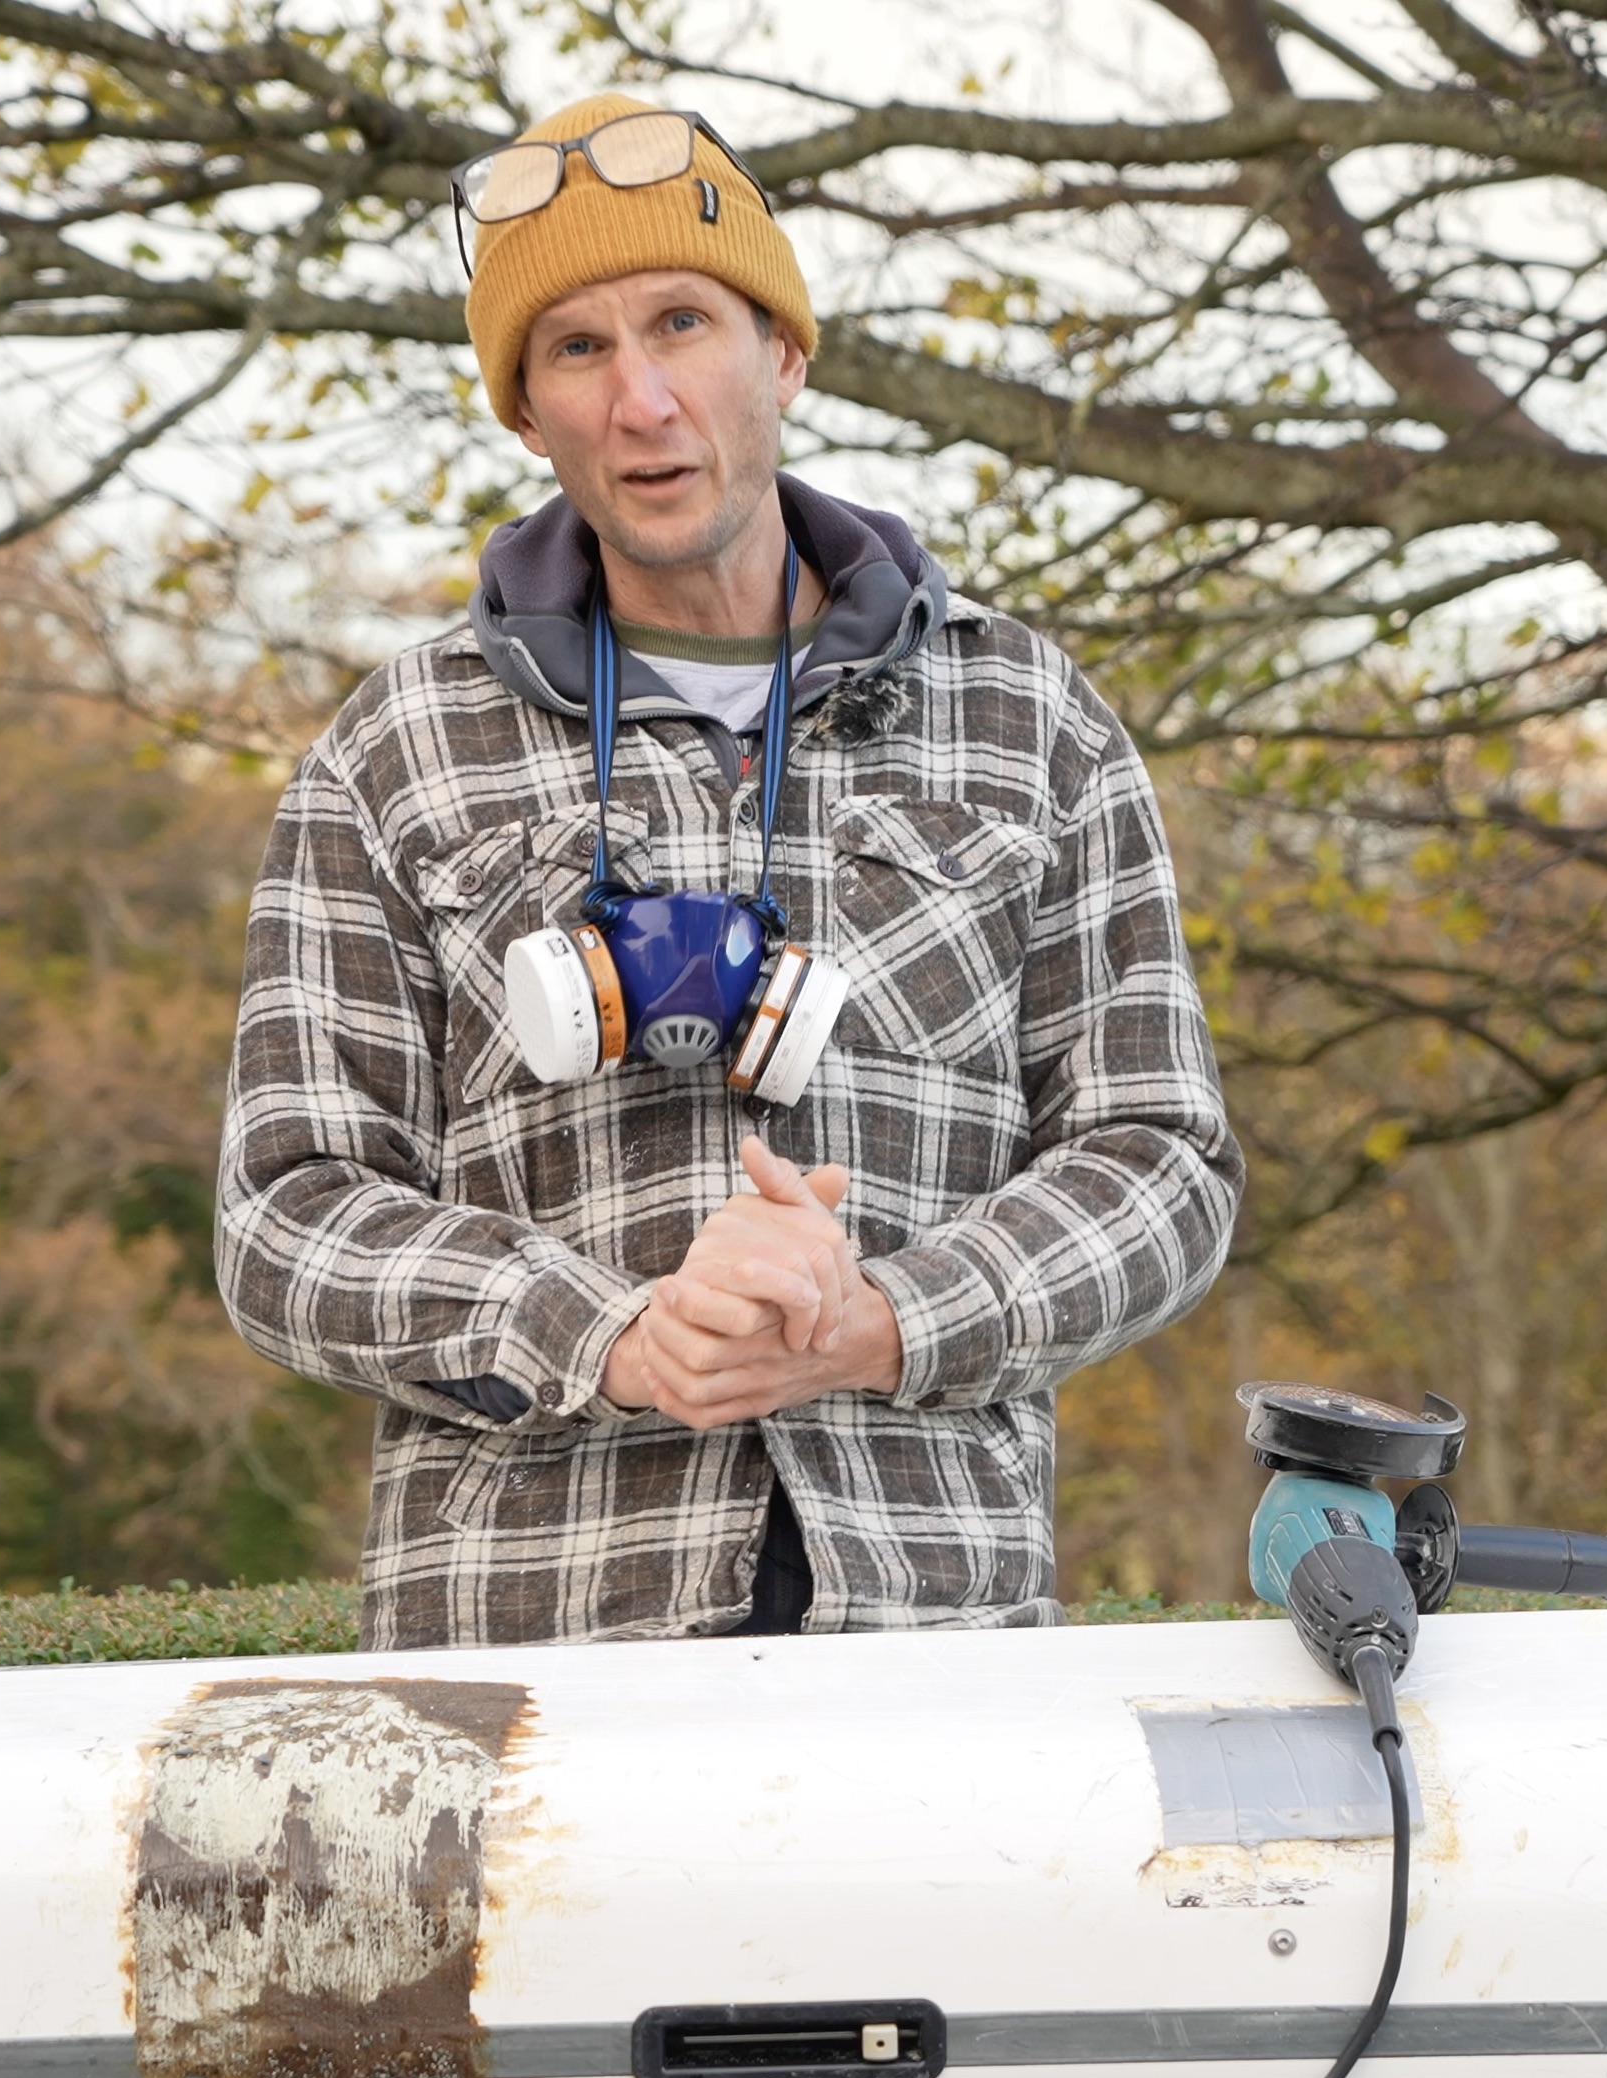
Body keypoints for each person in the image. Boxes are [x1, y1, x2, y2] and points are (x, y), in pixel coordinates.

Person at [215, 93, 1243, 1649]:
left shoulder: (1030, 719)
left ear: (785, 353)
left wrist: (885, 1322)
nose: (642, 401)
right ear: (527, 414)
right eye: (577, 349)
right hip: (534, 1645)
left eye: (683, 324)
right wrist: (613, 1338)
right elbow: (286, 1212)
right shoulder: (394, 746)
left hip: (933, 1635)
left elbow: (1162, 1160)